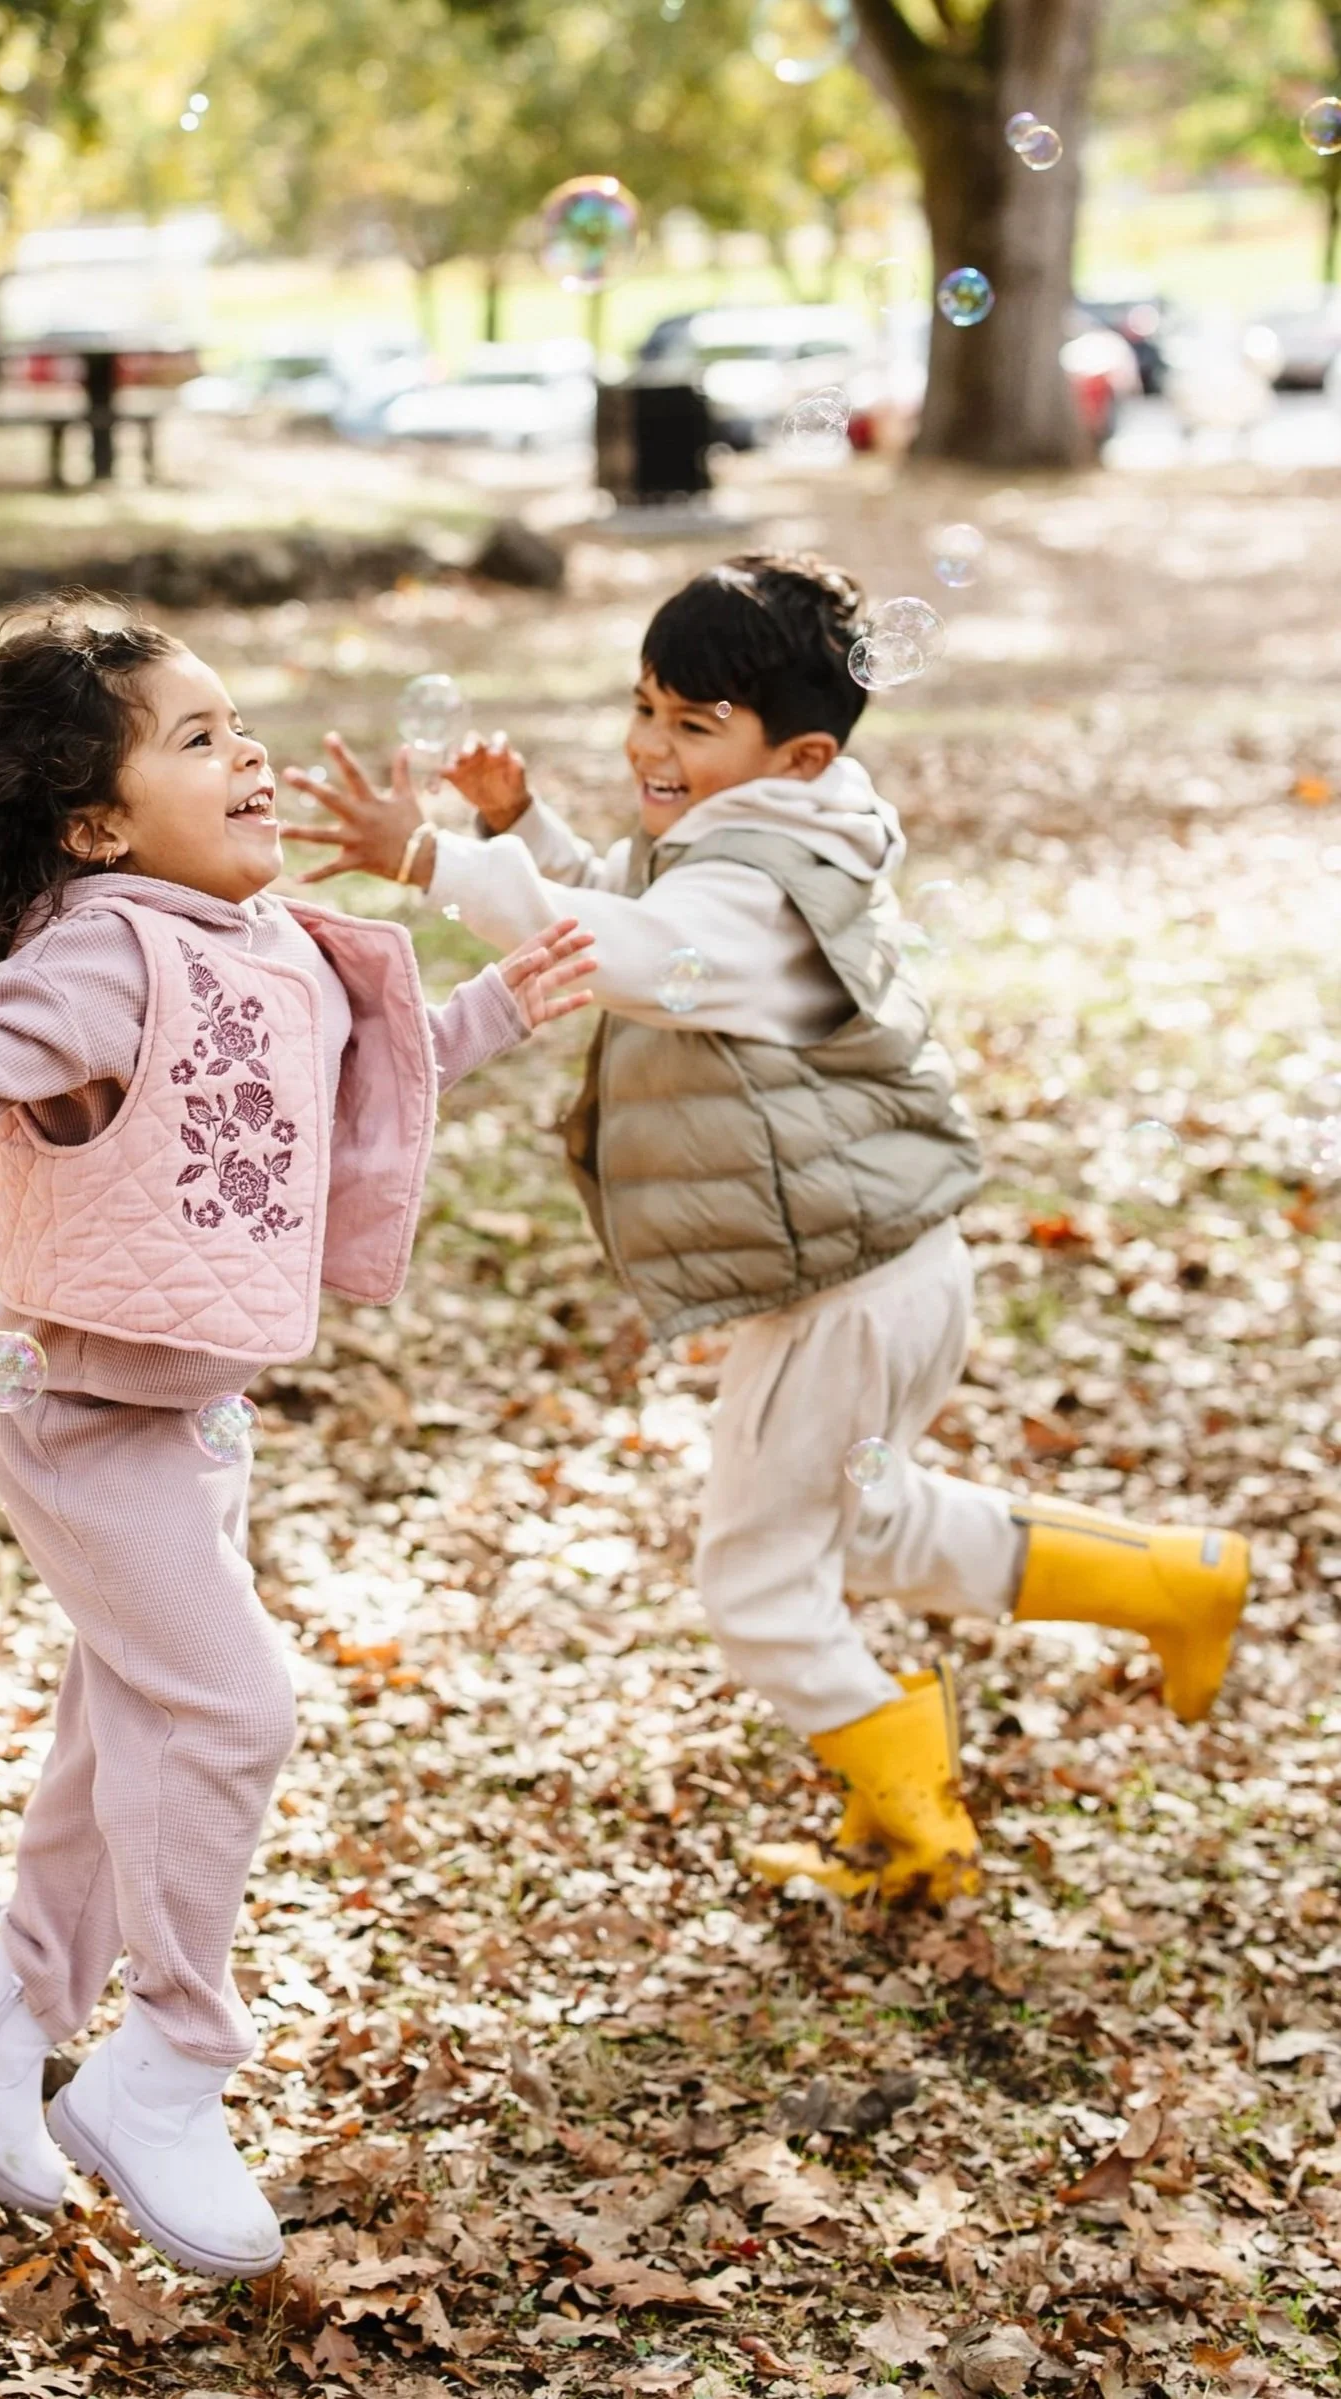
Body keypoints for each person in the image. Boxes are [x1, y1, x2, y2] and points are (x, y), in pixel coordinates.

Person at [0, 598, 593, 2274]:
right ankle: (168, 2064)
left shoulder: (270, 940)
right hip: (79, 1421)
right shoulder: (99, 952)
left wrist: (501, 1001)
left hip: (191, 1416)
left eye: (240, 724)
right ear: (94, 821)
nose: (249, 754)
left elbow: (359, 1071)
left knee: (116, 1731)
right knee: (231, 1704)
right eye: (197, 737)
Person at [285, 552, 1250, 1904]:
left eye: (691, 725)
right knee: (869, 1524)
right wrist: (529, 827)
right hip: (883, 1272)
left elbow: (628, 953)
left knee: (751, 1576)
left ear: (795, 753)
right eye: (643, 706)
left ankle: (920, 1839)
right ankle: (1172, 1582)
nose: (649, 745)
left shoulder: (761, 880)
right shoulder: (778, 838)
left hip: (844, 1290)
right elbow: (644, 908)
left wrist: (436, 857)